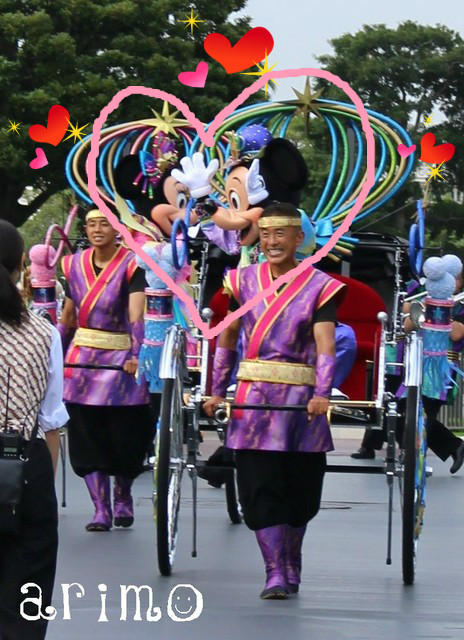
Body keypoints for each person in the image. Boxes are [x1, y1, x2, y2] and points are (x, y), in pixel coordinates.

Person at [203, 202, 345, 599]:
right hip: (252, 400)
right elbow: (227, 338)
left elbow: (325, 345)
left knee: (301, 490)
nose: (271, 242)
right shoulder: (241, 281)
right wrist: (216, 389)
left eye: (280, 233)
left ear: (300, 238)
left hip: (300, 401)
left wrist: (322, 393)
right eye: (264, 234)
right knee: (259, 485)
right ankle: (273, 571)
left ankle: (291, 559)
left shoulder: (321, 286)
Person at [58, 210, 152, 532]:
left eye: (104, 224)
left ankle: (123, 496)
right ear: (85, 229)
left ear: (117, 229)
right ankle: (101, 508)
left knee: (125, 433)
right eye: (91, 224)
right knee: (85, 433)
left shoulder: (132, 264)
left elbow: (136, 313)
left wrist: (137, 354)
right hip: (82, 358)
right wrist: (53, 355)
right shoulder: (73, 265)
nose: (97, 229)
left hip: (121, 356)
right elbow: (69, 316)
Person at [0, 220, 68, 640]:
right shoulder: (44, 332)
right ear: (23, 264)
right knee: (26, 592)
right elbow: (51, 419)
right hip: (24, 464)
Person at [352, 264, 464, 474]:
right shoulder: (421, 296)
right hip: (412, 366)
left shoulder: (461, 305)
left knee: (425, 415)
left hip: (440, 371)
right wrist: (421, 309)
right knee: (402, 410)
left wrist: (440, 310)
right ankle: (447, 447)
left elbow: (457, 333)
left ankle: (413, 455)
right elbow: (405, 322)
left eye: (456, 278)